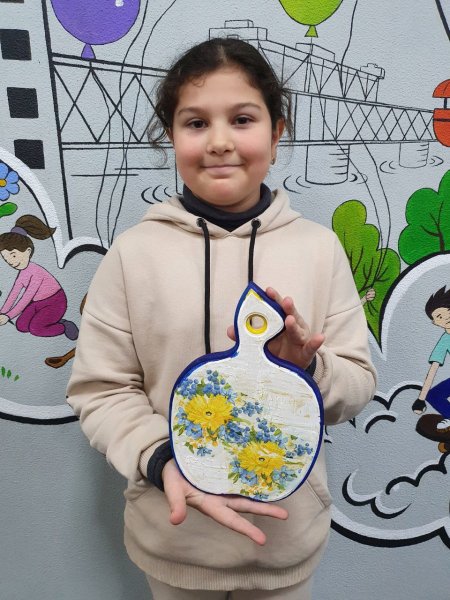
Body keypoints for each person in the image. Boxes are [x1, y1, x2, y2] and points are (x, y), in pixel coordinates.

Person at [66, 38, 376, 599]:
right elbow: (102, 390)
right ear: (171, 136)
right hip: (174, 541)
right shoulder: (133, 254)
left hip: (285, 546)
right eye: (195, 123)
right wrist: (164, 459)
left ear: (277, 134)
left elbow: (357, 383)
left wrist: (308, 370)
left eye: (242, 119)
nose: (219, 141)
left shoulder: (319, 249)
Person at [0, 215, 78, 340]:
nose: (11, 262)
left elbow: (26, 298)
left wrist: (8, 316)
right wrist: (2, 312)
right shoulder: (22, 273)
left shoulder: (36, 272)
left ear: (28, 251)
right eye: (6, 259)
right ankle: (49, 320)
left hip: (55, 301)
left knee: (36, 329)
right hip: (38, 303)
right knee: (21, 326)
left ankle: (64, 326)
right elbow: (13, 294)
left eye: (13, 255)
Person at [412, 286, 450, 431]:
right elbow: (433, 369)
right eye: (438, 317)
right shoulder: (445, 341)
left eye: (447, 312)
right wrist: (420, 399)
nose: (445, 318)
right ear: (435, 323)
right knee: (433, 395)